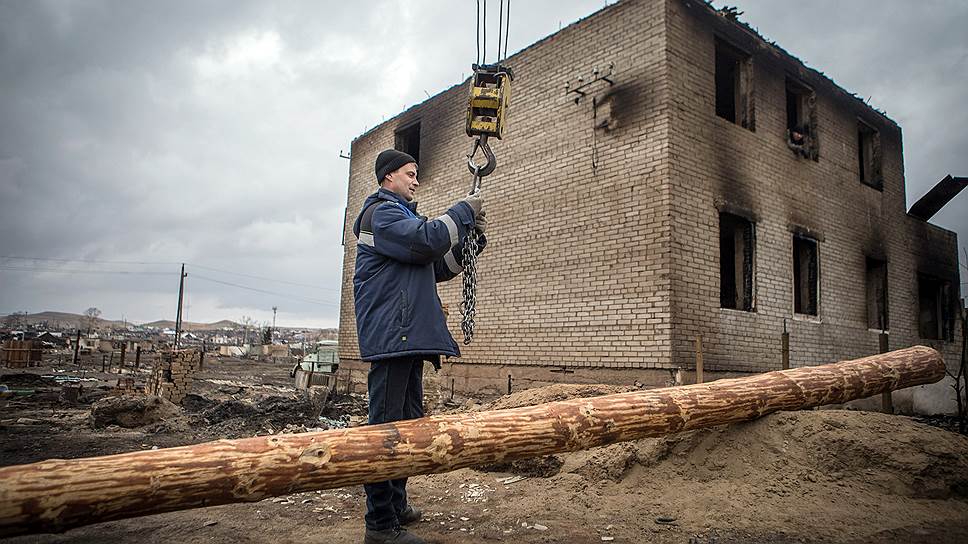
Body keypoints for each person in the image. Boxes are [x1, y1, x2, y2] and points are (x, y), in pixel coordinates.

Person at [352, 149, 487, 544]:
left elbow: (433, 265)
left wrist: (466, 250)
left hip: (405, 336)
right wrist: (463, 212)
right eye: (410, 174)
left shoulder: (401, 218)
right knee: (386, 432)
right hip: (394, 336)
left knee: (406, 427)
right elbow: (425, 242)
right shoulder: (381, 214)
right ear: (388, 176)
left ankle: (395, 505)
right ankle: (379, 525)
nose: (416, 181)